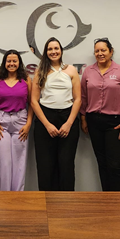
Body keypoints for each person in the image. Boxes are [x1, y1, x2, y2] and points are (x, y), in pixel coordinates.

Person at [80, 38, 120, 191]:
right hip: (94, 121)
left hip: (116, 123)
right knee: (102, 163)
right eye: (97, 51)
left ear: (111, 52)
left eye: (103, 50)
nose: (100, 53)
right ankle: (106, 198)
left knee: (115, 164)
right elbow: (83, 96)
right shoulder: (88, 71)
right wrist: (83, 118)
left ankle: (118, 200)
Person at [30, 37, 82, 191]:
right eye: (50, 49)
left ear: (61, 50)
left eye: (56, 48)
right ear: (46, 52)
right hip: (45, 119)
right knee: (45, 165)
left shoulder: (71, 70)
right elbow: (34, 101)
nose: (53, 52)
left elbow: (78, 99)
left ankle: (67, 202)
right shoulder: (40, 71)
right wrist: (47, 125)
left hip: (68, 118)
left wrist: (69, 123)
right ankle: (46, 201)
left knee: (66, 164)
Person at [0, 50, 34, 191]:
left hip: (20, 122)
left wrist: (28, 124)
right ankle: (4, 195)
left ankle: (17, 195)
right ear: (4, 63)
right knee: (4, 161)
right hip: (1, 122)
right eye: (9, 61)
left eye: (14, 61)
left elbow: (32, 104)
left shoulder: (26, 79)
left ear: (19, 63)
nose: (11, 63)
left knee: (19, 161)